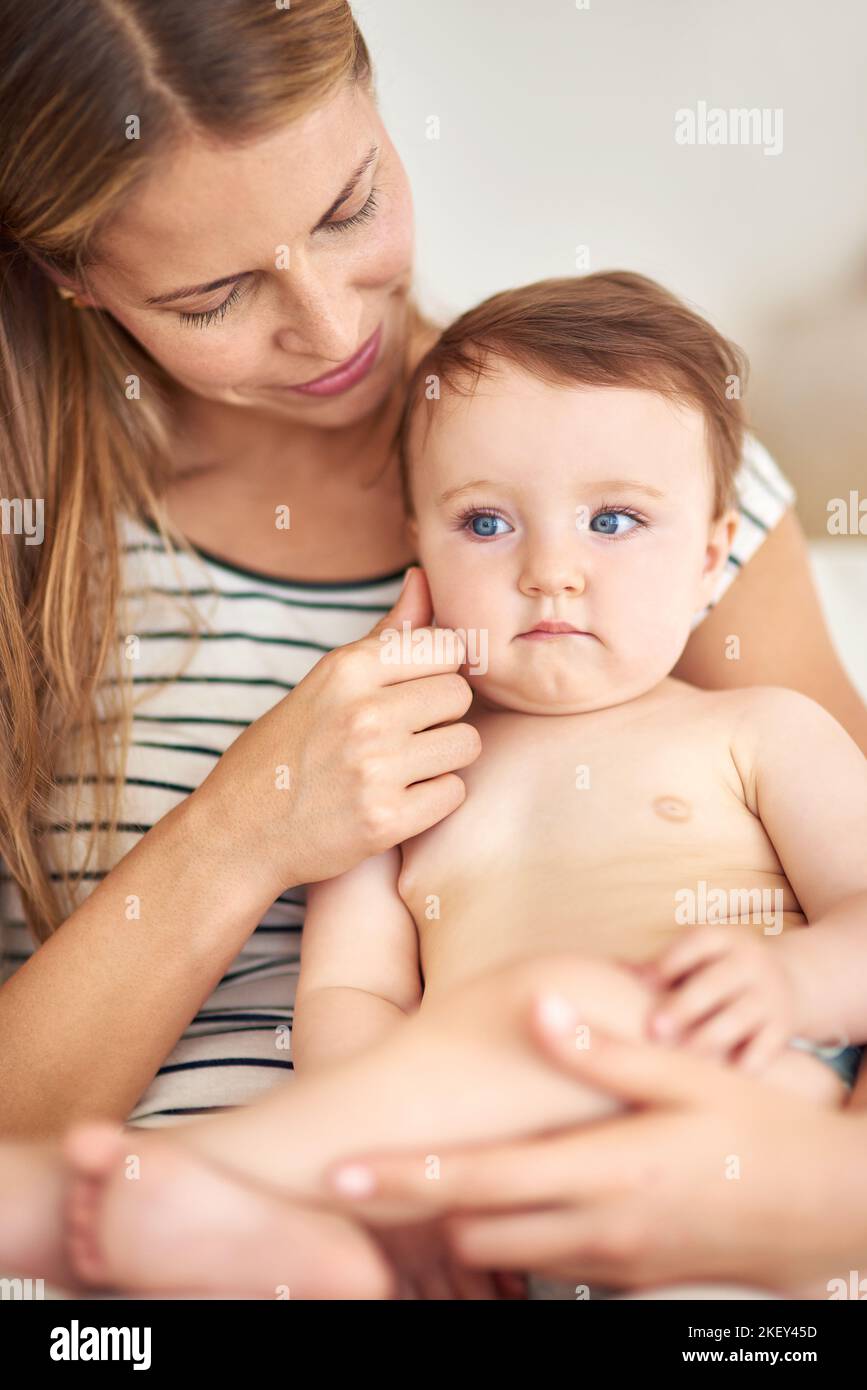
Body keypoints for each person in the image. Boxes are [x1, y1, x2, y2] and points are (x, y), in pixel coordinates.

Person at [1, 0, 864, 1295]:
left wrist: (820, 1197)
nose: (331, 322)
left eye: (350, 205)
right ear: (75, 275)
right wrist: (246, 827)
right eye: (217, 293)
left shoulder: (657, 459)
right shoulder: (34, 541)